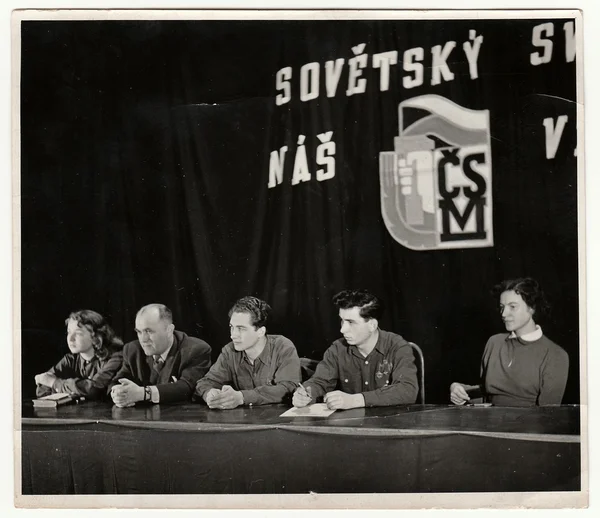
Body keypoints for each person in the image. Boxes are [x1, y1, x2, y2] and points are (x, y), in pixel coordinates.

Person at [450, 277, 569, 407]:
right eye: (502, 307)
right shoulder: (494, 342)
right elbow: (487, 395)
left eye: (512, 307)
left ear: (532, 308)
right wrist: (459, 389)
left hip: (528, 426)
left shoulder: (555, 355)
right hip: (489, 423)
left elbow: (548, 416)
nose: (504, 313)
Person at [292, 289, 418, 410]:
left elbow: (407, 389)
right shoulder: (337, 349)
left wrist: (354, 400)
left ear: (372, 325)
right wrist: (306, 393)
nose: (342, 329)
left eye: (351, 322)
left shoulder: (397, 346)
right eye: (342, 321)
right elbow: (320, 382)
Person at [194, 296, 300, 409]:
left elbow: (287, 387)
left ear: (260, 332)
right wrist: (210, 394)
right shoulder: (229, 351)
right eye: (232, 327)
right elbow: (205, 382)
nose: (233, 335)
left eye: (241, 329)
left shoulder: (282, 347)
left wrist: (241, 397)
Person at [109, 303, 211, 407]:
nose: (143, 339)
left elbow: (187, 387)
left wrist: (144, 393)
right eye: (139, 332)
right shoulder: (132, 350)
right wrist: (118, 393)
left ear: (169, 330)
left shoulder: (195, 349)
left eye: (148, 331)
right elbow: (116, 382)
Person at [35, 309, 124, 400]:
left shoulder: (115, 358)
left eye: (78, 333)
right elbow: (43, 387)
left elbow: (93, 389)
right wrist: (72, 389)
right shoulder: (69, 360)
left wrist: (55, 383)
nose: (70, 339)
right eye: (69, 332)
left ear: (96, 337)